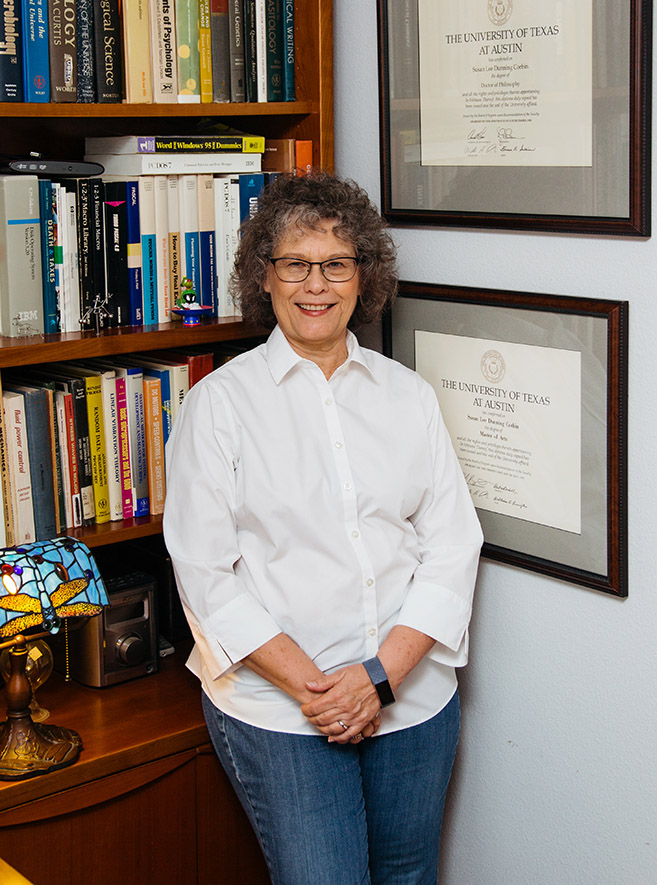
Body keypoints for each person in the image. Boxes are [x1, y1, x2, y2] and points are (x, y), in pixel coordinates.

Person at [163, 172, 483, 884]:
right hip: (282, 712)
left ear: (361, 275)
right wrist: (327, 693)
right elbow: (208, 576)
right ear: (264, 275)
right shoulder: (218, 406)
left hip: (412, 701)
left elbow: (452, 544)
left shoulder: (407, 396)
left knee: (408, 875)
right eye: (294, 264)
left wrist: (378, 678)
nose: (316, 284)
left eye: (336, 263)